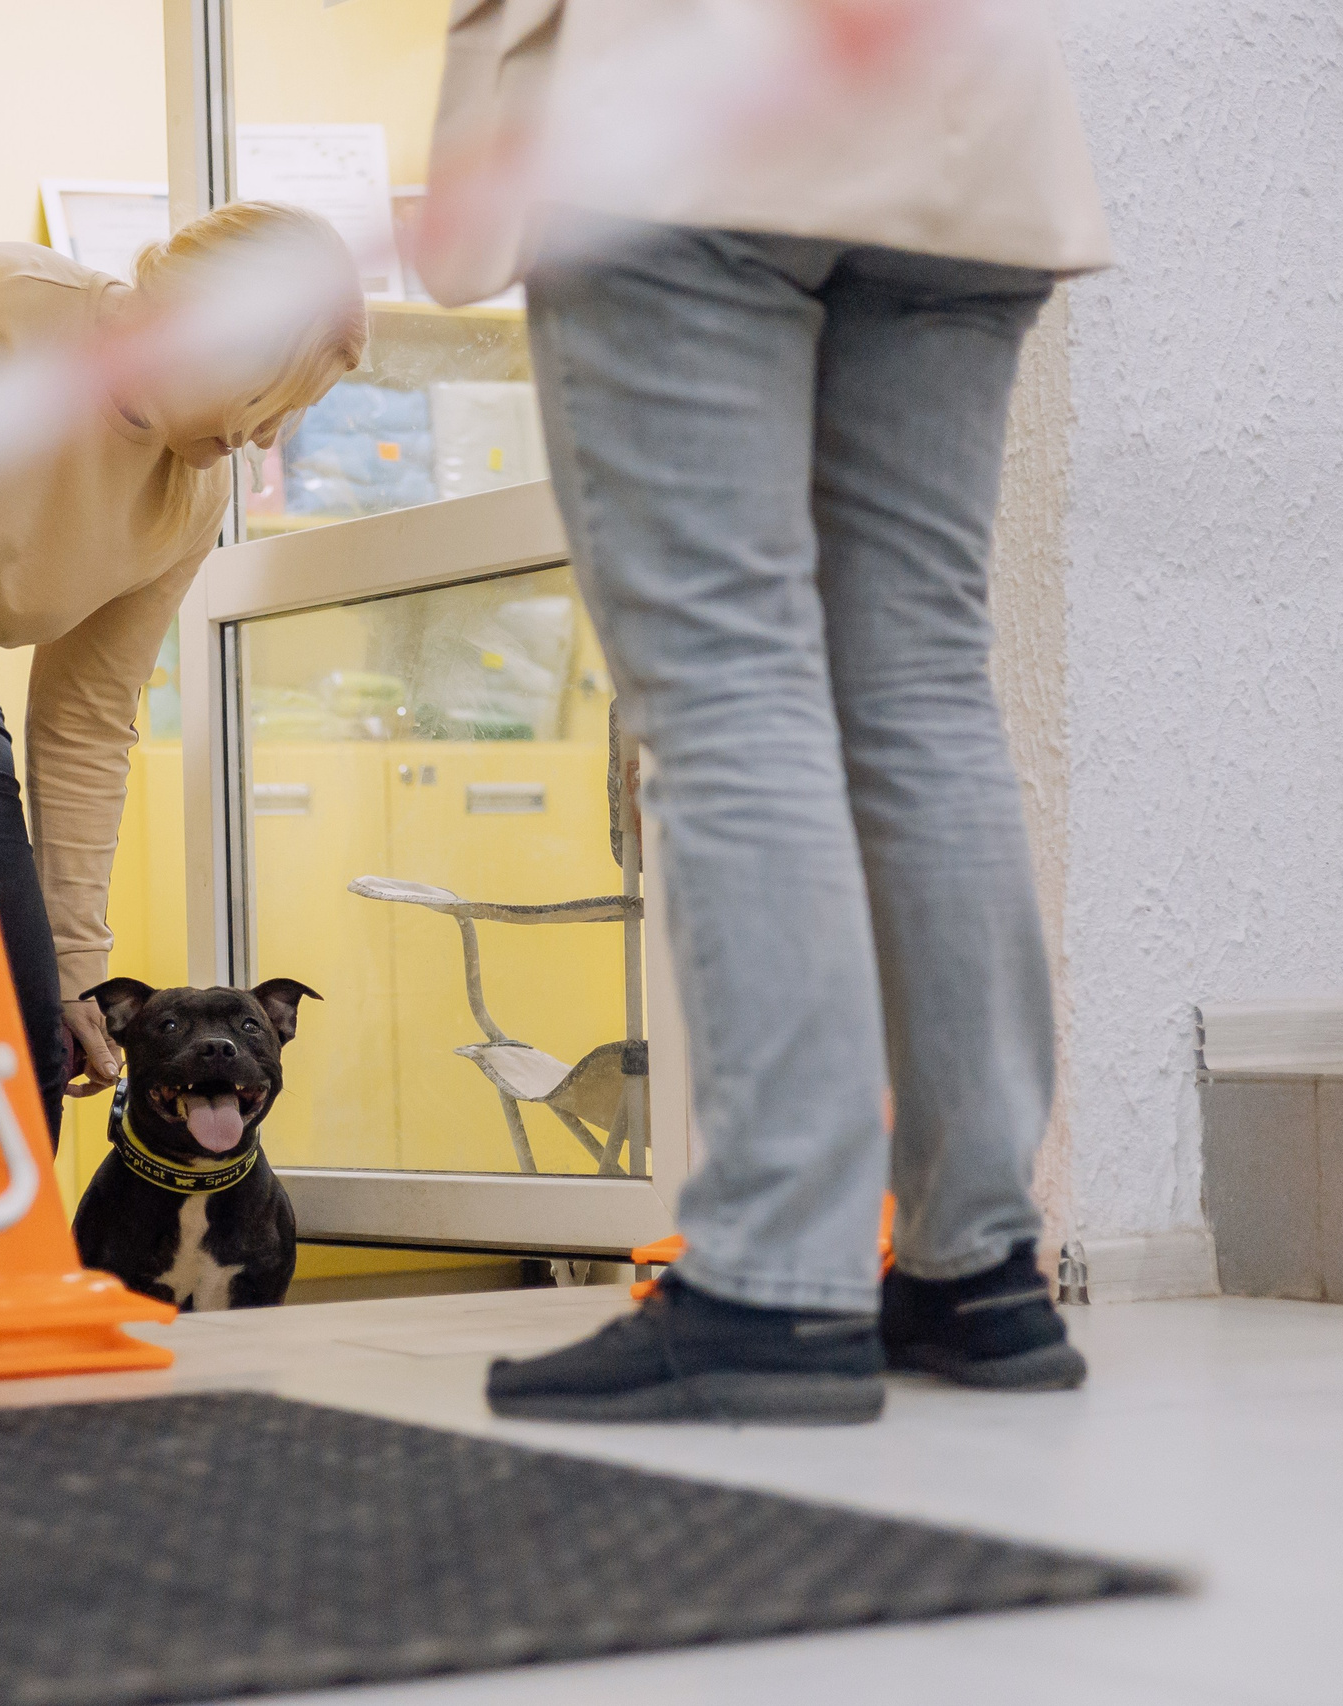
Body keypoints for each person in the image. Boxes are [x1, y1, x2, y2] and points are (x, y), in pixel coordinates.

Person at [421, 0, 1113, 1422]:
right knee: (920, 678)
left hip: (687, 124)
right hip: (964, 116)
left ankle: (777, 1278)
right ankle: (979, 1265)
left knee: (732, 680)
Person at [0, 204, 365, 1135]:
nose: (269, 440)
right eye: (277, 399)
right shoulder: (0, 306)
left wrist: (77, 974)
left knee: (28, 1044)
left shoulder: (194, 493)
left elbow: (85, 724)